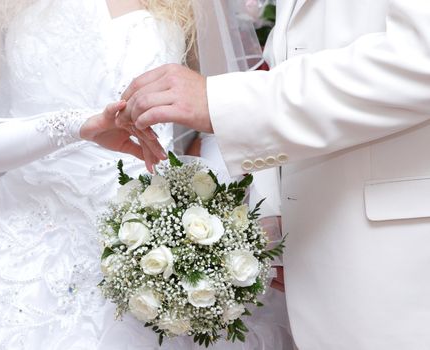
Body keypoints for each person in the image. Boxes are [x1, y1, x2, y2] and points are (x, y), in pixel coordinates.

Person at [0, 0, 293, 348]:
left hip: (160, 233)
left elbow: (218, 120)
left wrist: (209, 218)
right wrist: (79, 126)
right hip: (26, 239)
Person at [119, 0, 430, 349]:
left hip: (400, 269)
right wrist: (272, 206)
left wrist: (221, 102)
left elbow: (422, 56)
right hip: (319, 257)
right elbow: (291, 50)